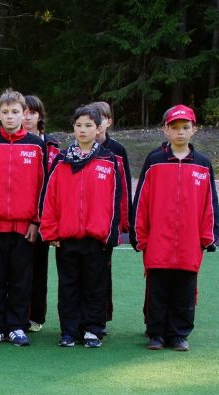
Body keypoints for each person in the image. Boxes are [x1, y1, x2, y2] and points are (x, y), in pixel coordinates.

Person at [130, 104, 219, 351]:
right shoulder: (155, 161)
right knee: (157, 290)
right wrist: (140, 236)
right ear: (165, 130)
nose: (180, 132)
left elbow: (210, 203)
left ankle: (179, 334)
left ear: (194, 130)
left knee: (185, 290)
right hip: (158, 240)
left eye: (185, 127)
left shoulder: (202, 164)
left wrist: (208, 236)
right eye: (175, 127)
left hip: (190, 242)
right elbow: (142, 201)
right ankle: (156, 333)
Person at [38, 105, 126, 348]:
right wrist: (50, 232)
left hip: (96, 239)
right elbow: (50, 198)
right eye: (78, 125)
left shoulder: (109, 161)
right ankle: (69, 331)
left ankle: (92, 330)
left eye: (88, 125)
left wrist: (111, 234)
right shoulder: (61, 160)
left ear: (98, 129)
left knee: (94, 286)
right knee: (68, 286)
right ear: (73, 129)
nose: (83, 130)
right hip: (66, 238)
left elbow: (116, 200)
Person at [0, 90, 46, 347]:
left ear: (24, 114)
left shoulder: (36, 145)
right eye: (5, 112)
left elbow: (42, 186)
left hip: (24, 226)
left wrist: (36, 221)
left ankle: (17, 325)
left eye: (15, 112)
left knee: (21, 278)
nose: (10, 116)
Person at [89, 101, 132, 332]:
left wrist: (123, 222)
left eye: (102, 117)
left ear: (108, 122)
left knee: (103, 271)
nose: (97, 122)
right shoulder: (78, 148)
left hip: (107, 224)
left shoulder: (118, 150)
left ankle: (101, 317)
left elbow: (124, 188)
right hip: (85, 223)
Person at [22, 95, 60, 333]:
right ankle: (16, 314)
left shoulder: (52, 146)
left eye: (32, 112)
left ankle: (35, 316)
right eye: (24, 112)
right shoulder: (12, 143)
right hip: (18, 216)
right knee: (17, 269)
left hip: (43, 218)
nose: (27, 117)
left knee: (38, 268)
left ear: (40, 116)